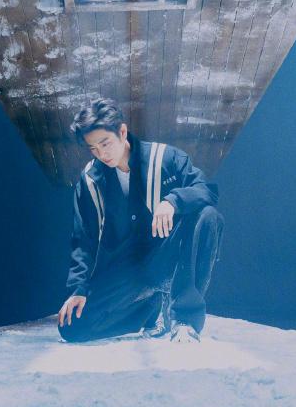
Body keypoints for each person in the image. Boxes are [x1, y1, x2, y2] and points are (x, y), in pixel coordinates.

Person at [57, 97, 224, 344]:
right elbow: (83, 239)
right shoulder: (91, 179)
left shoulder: (165, 157)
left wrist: (173, 201)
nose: (101, 154)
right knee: (73, 327)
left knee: (208, 216)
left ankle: (185, 320)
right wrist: (78, 289)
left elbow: (207, 191)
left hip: (166, 255)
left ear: (122, 132)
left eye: (105, 143)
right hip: (129, 268)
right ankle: (151, 309)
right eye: (93, 148)